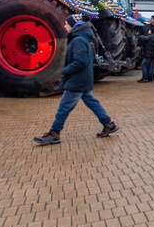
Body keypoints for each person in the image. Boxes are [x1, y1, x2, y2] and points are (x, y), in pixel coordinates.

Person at [33, 14, 119, 145]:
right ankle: (108, 124)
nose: (64, 26)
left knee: (64, 108)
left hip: (77, 81)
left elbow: (81, 61)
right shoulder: (82, 38)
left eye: (67, 24)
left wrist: (65, 70)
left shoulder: (78, 40)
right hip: (83, 79)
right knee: (92, 102)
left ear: (74, 25)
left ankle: (54, 133)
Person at [137, 15, 154, 82]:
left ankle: (146, 77)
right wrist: (139, 45)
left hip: (150, 49)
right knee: (152, 63)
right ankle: (151, 77)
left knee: (145, 64)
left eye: (151, 19)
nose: (150, 20)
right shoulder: (146, 27)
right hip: (149, 48)